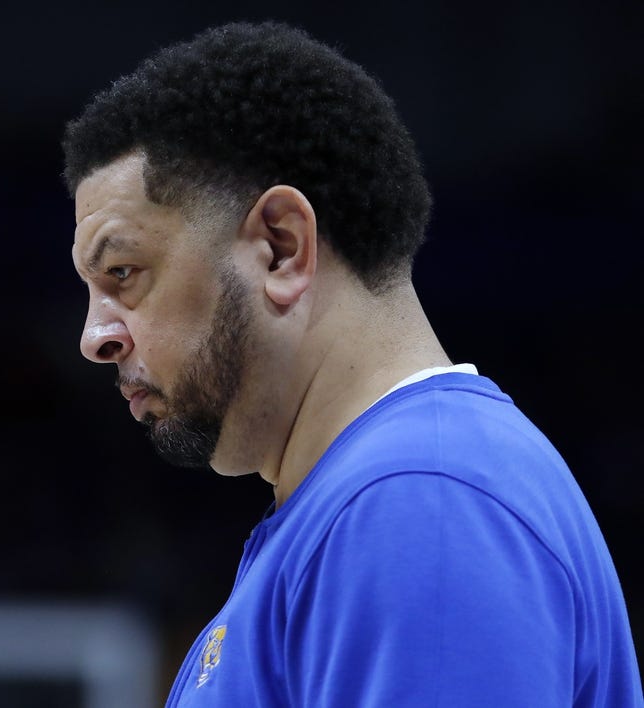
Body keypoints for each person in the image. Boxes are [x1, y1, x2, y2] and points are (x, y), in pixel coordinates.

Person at [61, 20, 642, 707]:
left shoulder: (420, 501)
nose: (94, 336)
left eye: (124, 272)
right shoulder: (374, 499)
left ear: (280, 246)